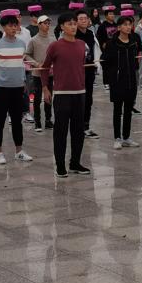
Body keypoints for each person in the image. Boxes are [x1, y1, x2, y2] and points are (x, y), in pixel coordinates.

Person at [40, 13, 90, 176]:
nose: (73, 26)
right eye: (69, 24)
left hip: (80, 93)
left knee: (78, 131)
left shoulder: (82, 44)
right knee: (60, 131)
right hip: (62, 94)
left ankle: (75, 163)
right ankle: (60, 165)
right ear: (62, 27)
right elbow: (44, 68)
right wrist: (45, 88)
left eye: (75, 23)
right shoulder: (55, 46)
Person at [0, 9, 32, 165]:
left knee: (17, 121)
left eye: (15, 25)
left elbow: (22, 64)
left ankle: (19, 151)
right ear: (4, 27)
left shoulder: (21, 44)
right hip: (2, 88)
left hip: (18, 87)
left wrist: (23, 81)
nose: (13, 28)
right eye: (10, 25)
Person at [101, 14, 142, 149]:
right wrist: (111, 76)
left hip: (131, 81)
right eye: (125, 25)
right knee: (117, 110)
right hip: (117, 82)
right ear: (119, 27)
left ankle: (126, 137)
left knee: (128, 110)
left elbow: (137, 58)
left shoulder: (134, 41)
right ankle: (117, 138)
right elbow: (104, 61)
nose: (128, 27)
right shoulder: (112, 43)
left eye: (129, 24)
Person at [25, 15, 56, 131]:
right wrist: (36, 64)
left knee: (49, 97)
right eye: (44, 23)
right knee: (37, 98)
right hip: (37, 74)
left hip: (50, 74)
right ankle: (37, 122)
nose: (47, 25)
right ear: (39, 25)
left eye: (48, 23)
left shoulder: (53, 39)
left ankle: (48, 120)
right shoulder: (33, 40)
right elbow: (27, 55)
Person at [74, 9, 100, 139]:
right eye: (81, 19)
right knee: (78, 99)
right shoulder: (73, 34)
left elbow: (96, 50)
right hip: (77, 72)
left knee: (88, 99)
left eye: (85, 18)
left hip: (89, 70)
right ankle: (77, 127)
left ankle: (86, 126)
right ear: (76, 21)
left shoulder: (90, 33)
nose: (84, 21)